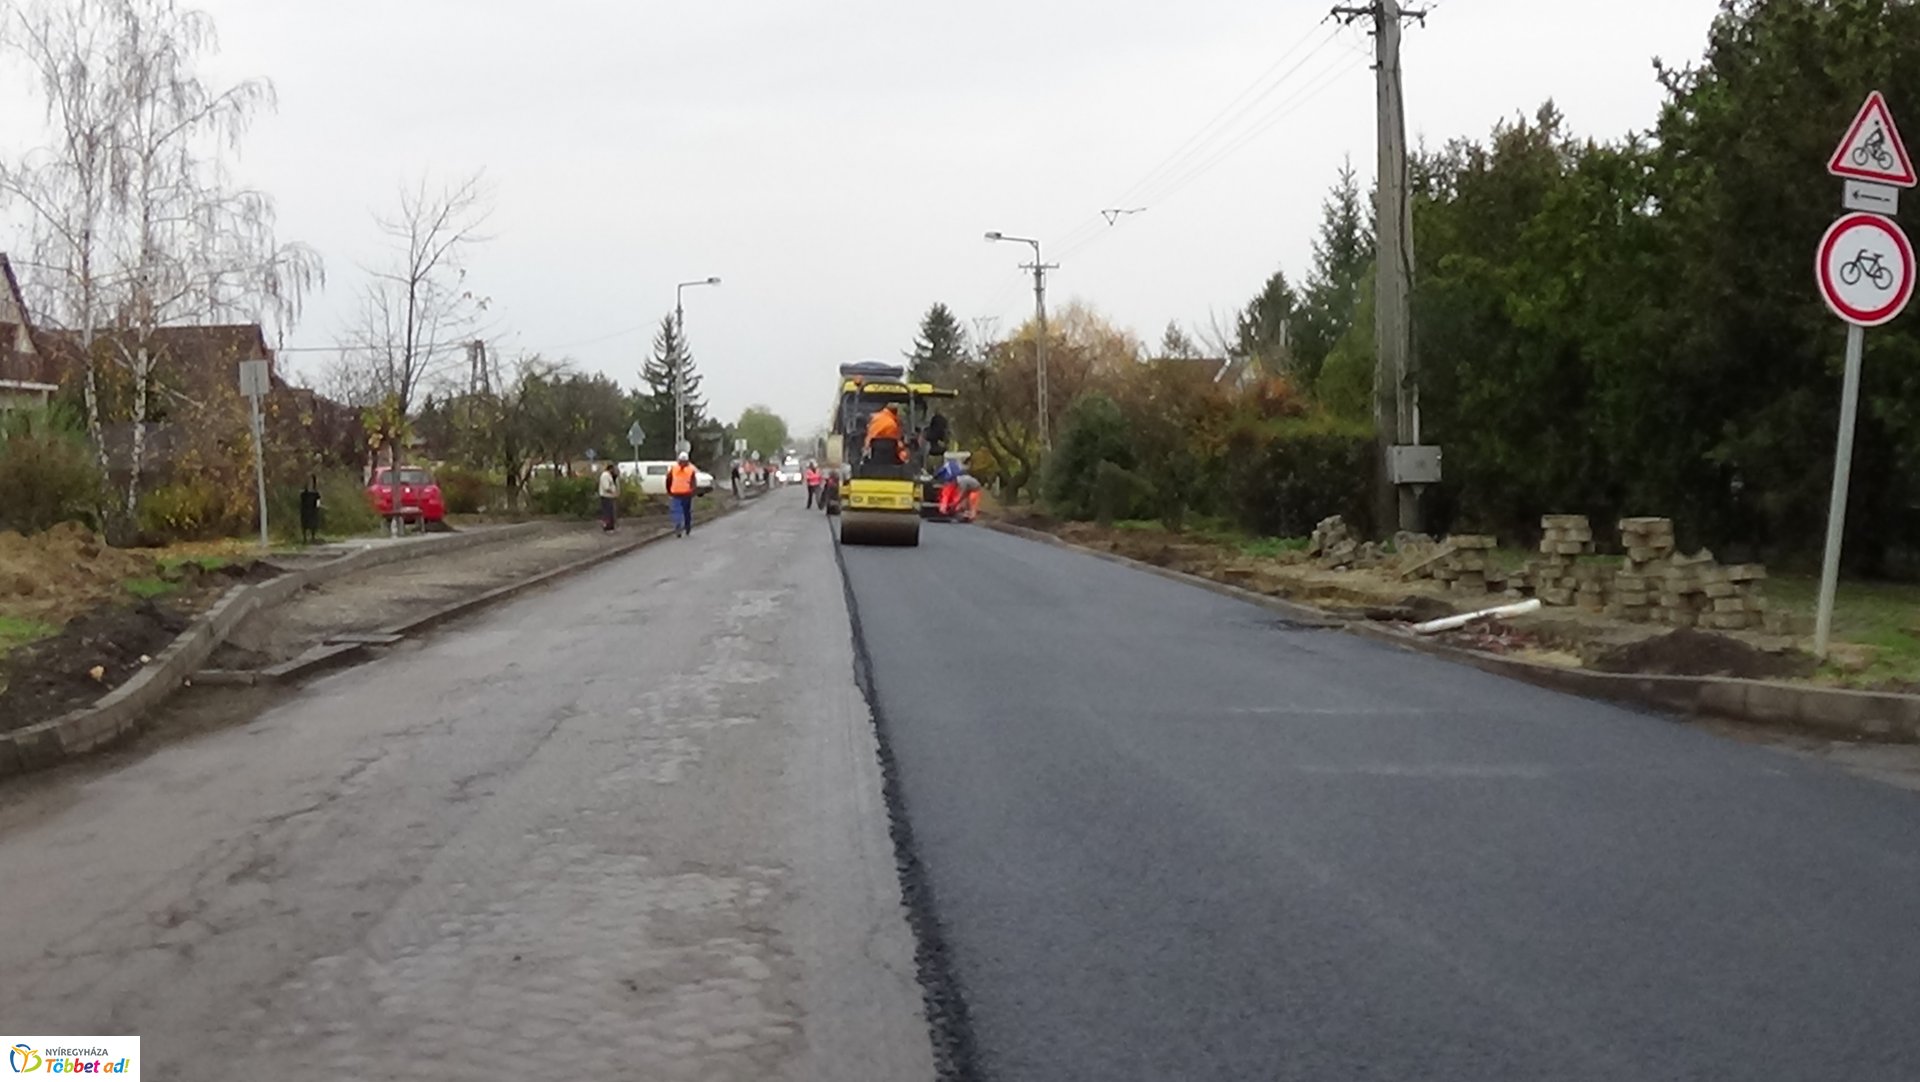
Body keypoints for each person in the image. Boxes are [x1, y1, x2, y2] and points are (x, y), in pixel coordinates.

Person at [667, 452, 698, 536]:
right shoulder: (690, 470)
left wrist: (669, 491)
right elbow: (693, 482)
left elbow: (668, 480)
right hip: (686, 493)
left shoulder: (673, 468)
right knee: (686, 511)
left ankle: (679, 526)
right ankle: (686, 527)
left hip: (677, 493)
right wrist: (693, 491)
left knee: (678, 511)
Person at [597, 462, 619, 532]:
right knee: (607, 512)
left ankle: (611, 526)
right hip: (606, 496)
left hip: (610, 496)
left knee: (611, 512)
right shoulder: (605, 476)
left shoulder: (609, 475)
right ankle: (607, 526)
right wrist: (613, 491)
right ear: (610, 469)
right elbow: (606, 487)